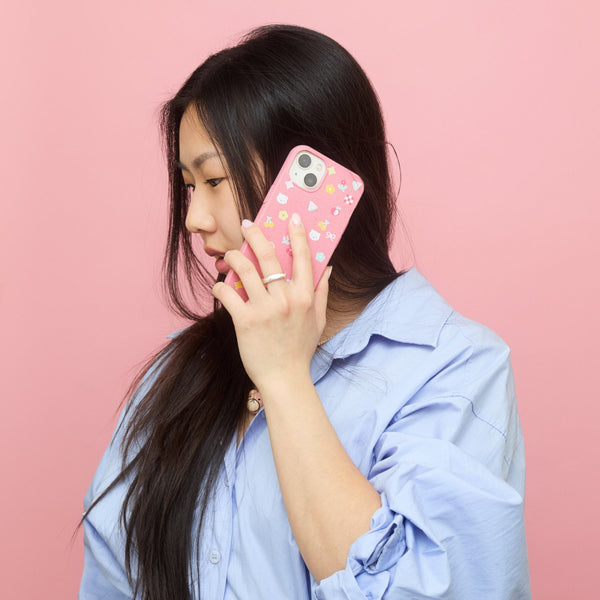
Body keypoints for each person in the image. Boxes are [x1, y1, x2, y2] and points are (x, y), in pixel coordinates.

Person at [78, 24, 531, 600]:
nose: (193, 219)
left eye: (214, 179)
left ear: (316, 180)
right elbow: (111, 575)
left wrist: (285, 377)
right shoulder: (176, 373)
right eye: (189, 185)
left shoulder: (457, 369)